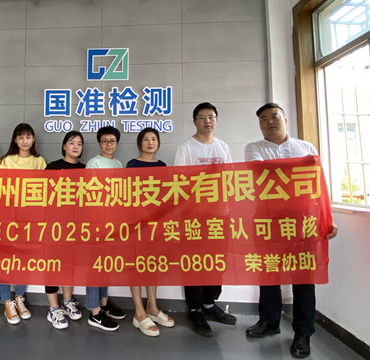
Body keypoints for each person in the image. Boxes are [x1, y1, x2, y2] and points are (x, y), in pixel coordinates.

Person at [244, 103, 338, 359]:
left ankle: (303, 333)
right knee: (268, 273)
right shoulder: (254, 149)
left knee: (304, 278)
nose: (269, 122)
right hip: (267, 221)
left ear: (284, 119)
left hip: (302, 222)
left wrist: (326, 219)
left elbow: (318, 185)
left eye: (274, 116)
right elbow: (261, 173)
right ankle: (269, 322)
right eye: (263, 118)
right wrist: (301, 166)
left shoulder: (306, 148)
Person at [174, 102, 237, 337]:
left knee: (216, 261)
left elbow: (230, 178)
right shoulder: (186, 148)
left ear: (216, 121)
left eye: (211, 117)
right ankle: (195, 309)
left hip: (220, 214)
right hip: (194, 216)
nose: (207, 121)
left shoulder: (223, 147)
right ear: (194, 122)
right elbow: (179, 183)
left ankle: (210, 304)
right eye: (202, 117)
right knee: (194, 263)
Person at [0, 123, 46, 324]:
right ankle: (7, 302)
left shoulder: (39, 161)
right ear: (15, 140)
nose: (25, 141)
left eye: (28, 137)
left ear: (33, 139)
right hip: (7, 218)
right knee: (5, 260)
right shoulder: (6, 161)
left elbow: (45, 189)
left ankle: (19, 298)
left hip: (29, 219)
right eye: (21, 137)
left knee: (23, 260)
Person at [126, 128, 174, 337]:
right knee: (137, 266)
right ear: (140, 143)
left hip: (157, 225)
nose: (150, 142)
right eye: (145, 139)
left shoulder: (162, 166)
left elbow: (166, 196)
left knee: (152, 264)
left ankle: (152, 307)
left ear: (158, 143)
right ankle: (139, 312)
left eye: (154, 139)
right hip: (137, 225)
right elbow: (129, 195)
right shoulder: (132, 165)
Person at [84, 126, 126, 332]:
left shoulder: (118, 164)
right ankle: (94, 313)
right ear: (99, 143)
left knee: (104, 266)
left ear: (117, 143)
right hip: (97, 224)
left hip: (113, 224)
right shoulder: (93, 163)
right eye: (104, 141)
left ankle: (103, 303)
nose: (109, 144)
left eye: (112, 141)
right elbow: (90, 195)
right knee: (94, 268)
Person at [44, 131, 85, 330]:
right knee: (53, 266)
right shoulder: (52, 167)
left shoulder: (85, 169)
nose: (75, 146)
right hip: (54, 226)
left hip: (76, 226)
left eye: (79, 143)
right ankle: (53, 307)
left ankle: (67, 301)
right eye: (72, 143)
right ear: (64, 146)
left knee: (69, 265)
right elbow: (41, 195)